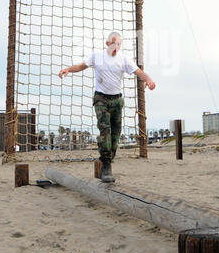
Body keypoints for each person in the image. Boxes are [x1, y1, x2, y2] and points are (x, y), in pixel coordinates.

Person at [59, 31, 155, 183]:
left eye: (119, 44)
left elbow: (138, 72)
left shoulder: (123, 59)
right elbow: (81, 66)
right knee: (105, 130)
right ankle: (106, 166)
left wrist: (148, 79)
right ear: (107, 43)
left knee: (115, 136)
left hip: (117, 100)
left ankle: (107, 159)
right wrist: (68, 69)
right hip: (101, 98)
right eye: (114, 43)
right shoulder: (97, 56)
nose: (116, 47)